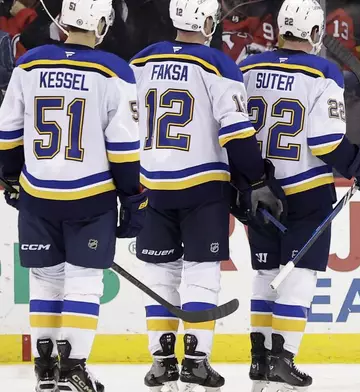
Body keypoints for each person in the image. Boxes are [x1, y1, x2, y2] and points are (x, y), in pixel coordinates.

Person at [129, 0, 286, 391]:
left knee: (160, 273)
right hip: (202, 186)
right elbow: (236, 132)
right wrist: (255, 179)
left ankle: (162, 362)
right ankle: (196, 361)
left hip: (152, 184)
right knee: (200, 272)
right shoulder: (217, 63)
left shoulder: (140, 61)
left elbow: (122, 125)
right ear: (206, 20)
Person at [0, 0, 145, 391]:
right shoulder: (114, 69)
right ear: (99, 23)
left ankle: (45, 368)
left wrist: (11, 178)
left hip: (37, 194)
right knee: (84, 283)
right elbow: (125, 149)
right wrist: (132, 197)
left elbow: (8, 131)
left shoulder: (29, 64)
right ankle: (73, 367)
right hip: (90, 197)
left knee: (45, 280)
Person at [239, 0, 360, 390]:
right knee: (299, 275)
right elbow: (324, 140)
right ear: (317, 33)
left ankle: (259, 359)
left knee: (266, 274)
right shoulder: (323, 70)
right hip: (305, 191)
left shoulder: (247, 67)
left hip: (259, 192)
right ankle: (282, 360)